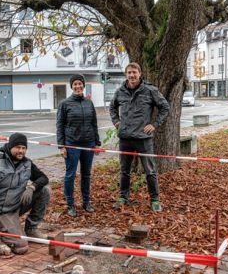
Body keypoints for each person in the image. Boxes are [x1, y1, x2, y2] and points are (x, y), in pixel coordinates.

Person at [109, 62, 170, 212]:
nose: (132, 75)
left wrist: (154, 124)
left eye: (134, 72)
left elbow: (165, 107)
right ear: (126, 74)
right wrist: (116, 122)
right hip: (125, 138)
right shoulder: (120, 91)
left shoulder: (150, 90)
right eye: (129, 72)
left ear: (140, 73)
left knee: (150, 171)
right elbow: (112, 107)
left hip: (143, 138)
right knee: (124, 170)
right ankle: (123, 197)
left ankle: (155, 200)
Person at [0, 133, 50, 254]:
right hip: (1, 211)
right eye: (18, 147)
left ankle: (31, 229)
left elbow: (43, 178)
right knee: (21, 247)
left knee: (44, 191)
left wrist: (31, 187)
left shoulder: (27, 164)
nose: (21, 151)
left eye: (24, 148)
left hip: (17, 206)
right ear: (10, 146)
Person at [56, 74, 101, 217]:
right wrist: (61, 146)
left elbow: (94, 124)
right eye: (75, 84)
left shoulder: (89, 103)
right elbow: (60, 125)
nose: (77, 86)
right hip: (72, 145)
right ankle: (70, 205)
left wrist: (97, 143)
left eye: (80, 84)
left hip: (88, 144)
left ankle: (86, 202)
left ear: (83, 85)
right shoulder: (65, 104)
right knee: (70, 175)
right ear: (71, 86)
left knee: (86, 175)